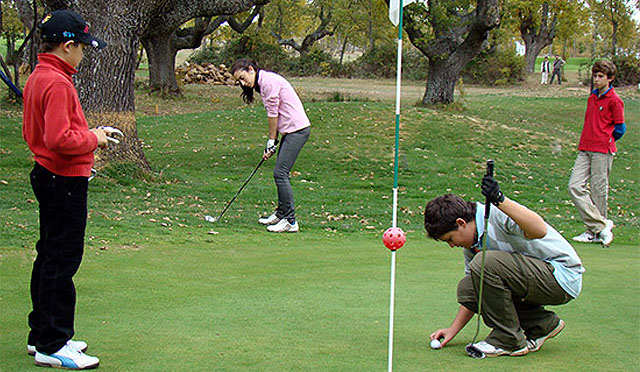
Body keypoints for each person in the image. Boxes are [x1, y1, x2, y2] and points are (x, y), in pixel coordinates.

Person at [22, 9, 108, 370]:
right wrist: (95, 138)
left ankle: (41, 332)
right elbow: (59, 139)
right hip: (63, 179)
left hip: (48, 175)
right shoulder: (57, 82)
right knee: (62, 260)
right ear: (67, 45)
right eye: (82, 47)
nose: (84, 55)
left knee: (49, 255)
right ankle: (53, 344)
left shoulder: (41, 75)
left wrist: (88, 135)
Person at [424, 174, 584, 357]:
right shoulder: (472, 244)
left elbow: (539, 230)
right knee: (467, 288)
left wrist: (500, 200)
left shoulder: (497, 213)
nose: (452, 245)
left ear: (461, 223)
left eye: (450, 239)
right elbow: (479, 290)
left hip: (561, 276)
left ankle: (508, 340)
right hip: (533, 279)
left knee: (485, 264)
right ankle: (541, 325)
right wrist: (453, 329)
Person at [230, 59, 311, 233]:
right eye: (239, 82)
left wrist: (271, 140)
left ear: (251, 69)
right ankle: (281, 214)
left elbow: (272, 115)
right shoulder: (262, 82)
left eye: (243, 78)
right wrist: (272, 143)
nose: (243, 83)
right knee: (280, 172)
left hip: (297, 130)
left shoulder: (268, 82)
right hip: (290, 131)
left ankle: (290, 221)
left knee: (280, 173)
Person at [568, 60, 625, 246]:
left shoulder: (615, 101)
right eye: (595, 76)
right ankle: (601, 227)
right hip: (585, 148)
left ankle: (593, 232)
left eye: (601, 76)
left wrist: (606, 138)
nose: (597, 79)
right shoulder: (592, 97)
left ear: (610, 79)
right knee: (575, 186)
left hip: (603, 150)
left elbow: (620, 129)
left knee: (599, 191)